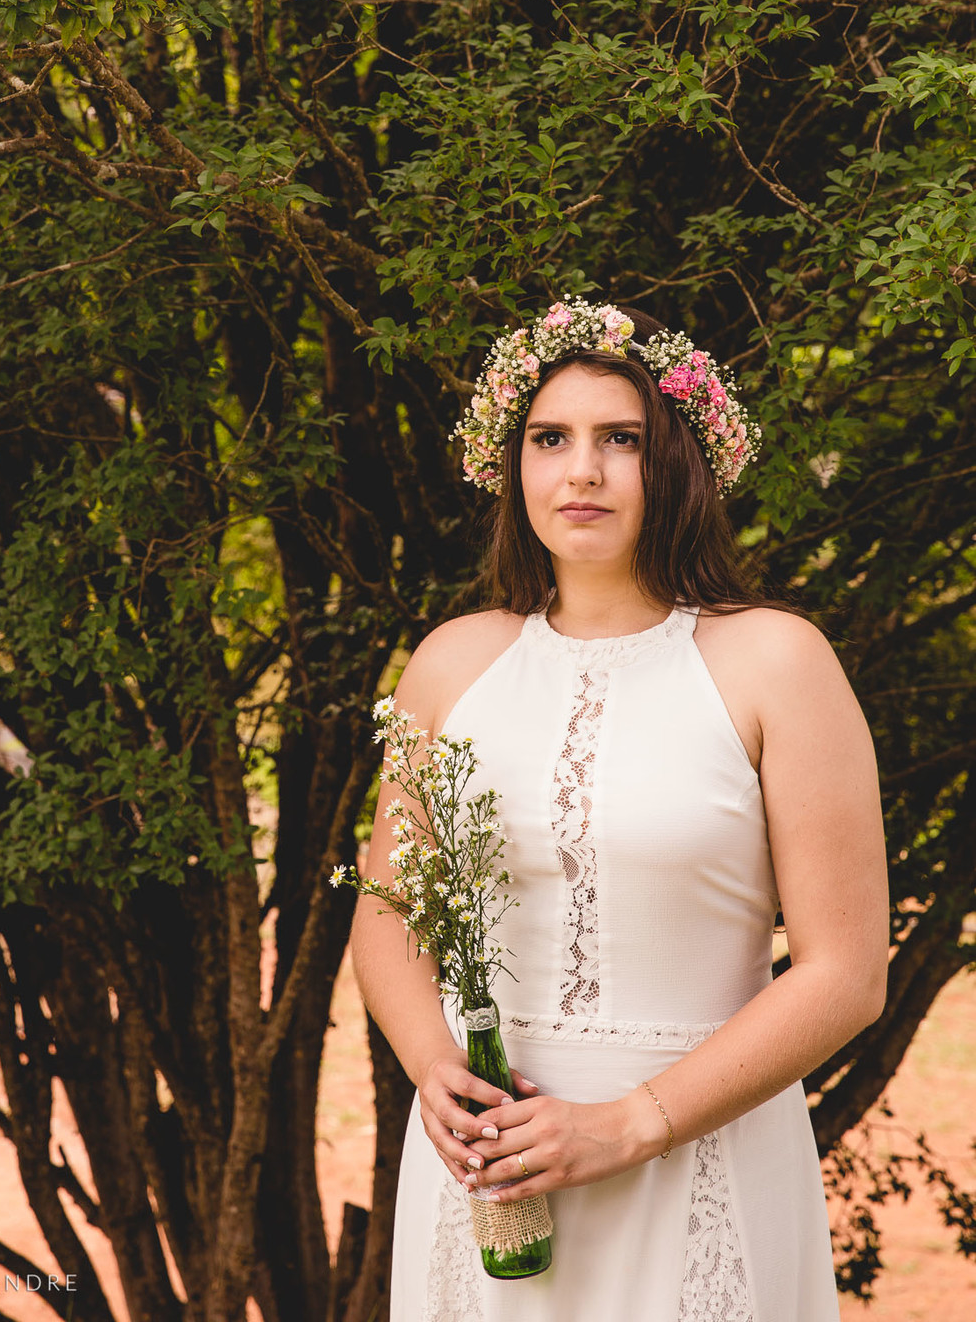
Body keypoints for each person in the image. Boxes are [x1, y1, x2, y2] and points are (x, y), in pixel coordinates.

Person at [351, 298, 888, 1322]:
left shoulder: (775, 661)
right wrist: (435, 1071)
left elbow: (845, 973)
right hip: (490, 1176)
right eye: (549, 439)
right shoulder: (450, 663)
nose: (580, 472)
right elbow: (384, 916)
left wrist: (630, 1124)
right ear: (513, 464)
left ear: (677, 463)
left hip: (696, 1154)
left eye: (620, 441)